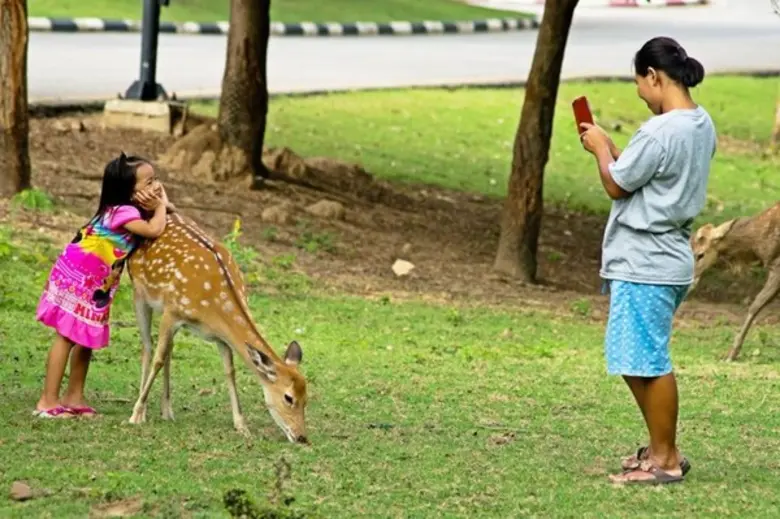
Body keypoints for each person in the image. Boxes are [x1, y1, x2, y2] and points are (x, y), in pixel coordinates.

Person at [579, 36, 716, 485]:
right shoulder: (700, 124)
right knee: (634, 358)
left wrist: (600, 147)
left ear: (654, 76)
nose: (641, 94)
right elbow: (649, 174)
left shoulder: (660, 130)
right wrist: (616, 152)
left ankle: (666, 458)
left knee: (649, 362)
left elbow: (617, 185)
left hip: (647, 261)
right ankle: (661, 448)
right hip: (668, 258)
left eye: (640, 84)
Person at [33, 152, 171, 419]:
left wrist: (161, 204)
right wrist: (161, 206)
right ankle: (47, 401)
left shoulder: (127, 209)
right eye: (149, 182)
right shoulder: (123, 212)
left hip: (95, 283)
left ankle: (74, 396)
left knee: (84, 337)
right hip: (79, 277)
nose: (156, 186)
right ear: (129, 192)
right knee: (66, 337)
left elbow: (161, 217)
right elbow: (155, 229)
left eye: (156, 179)